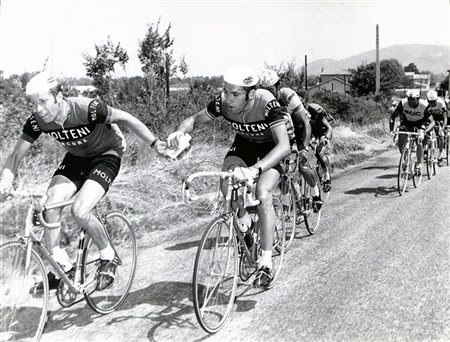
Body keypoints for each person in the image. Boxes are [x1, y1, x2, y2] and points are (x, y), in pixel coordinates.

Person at [0, 71, 168, 291]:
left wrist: (156, 145)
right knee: (50, 205)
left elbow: (126, 117)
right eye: (34, 104)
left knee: (80, 211)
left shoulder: (86, 108)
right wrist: (6, 179)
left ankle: (108, 255)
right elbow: (15, 155)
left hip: (106, 155)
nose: (38, 109)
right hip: (77, 158)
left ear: (59, 97)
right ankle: (61, 267)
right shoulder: (38, 120)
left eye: (43, 102)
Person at [167, 66, 291, 288]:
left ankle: (265, 263)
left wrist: (256, 169)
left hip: (270, 149)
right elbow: (194, 119)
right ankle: (245, 230)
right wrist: (180, 132)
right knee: (228, 186)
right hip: (244, 145)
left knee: (263, 194)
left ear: (250, 94)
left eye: (235, 94)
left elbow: (284, 146)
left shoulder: (267, 103)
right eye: (225, 91)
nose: (228, 98)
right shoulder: (223, 103)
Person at [259, 69, 325, 205]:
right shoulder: (263, 100)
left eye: (271, 89)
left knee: (302, 166)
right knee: (282, 170)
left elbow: (306, 123)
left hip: (300, 128)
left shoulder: (288, 96)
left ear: (278, 86)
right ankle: (287, 203)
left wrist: (304, 149)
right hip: (284, 131)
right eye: (265, 90)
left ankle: (315, 192)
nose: (269, 94)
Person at [389, 89, 435, 174]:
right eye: (409, 99)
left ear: (418, 99)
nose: (410, 101)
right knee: (401, 142)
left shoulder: (424, 105)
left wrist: (425, 132)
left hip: (421, 122)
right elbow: (392, 117)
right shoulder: (403, 103)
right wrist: (391, 130)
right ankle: (406, 159)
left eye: (413, 99)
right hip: (407, 121)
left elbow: (433, 122)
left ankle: (419, 164)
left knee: (419, 139)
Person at [304, 102, 333, 192]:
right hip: (313, 131)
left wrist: (326, 138)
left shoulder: (315, 110)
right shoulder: (296, 111)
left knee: (319, 153)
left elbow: (329, 128)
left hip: (324, 130)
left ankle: (327, 177)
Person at [426, 90, 448, 166]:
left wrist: (441, 130)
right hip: (430, 118)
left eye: (434, 101)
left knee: (440, 136)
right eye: (430, 102)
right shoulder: (425, 104)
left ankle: (440, 156)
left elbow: (445, 119)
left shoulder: (441, 102)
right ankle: (426, 149)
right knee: (425, 132)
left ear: (436, 99)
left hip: (440, 118)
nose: (432, 103)